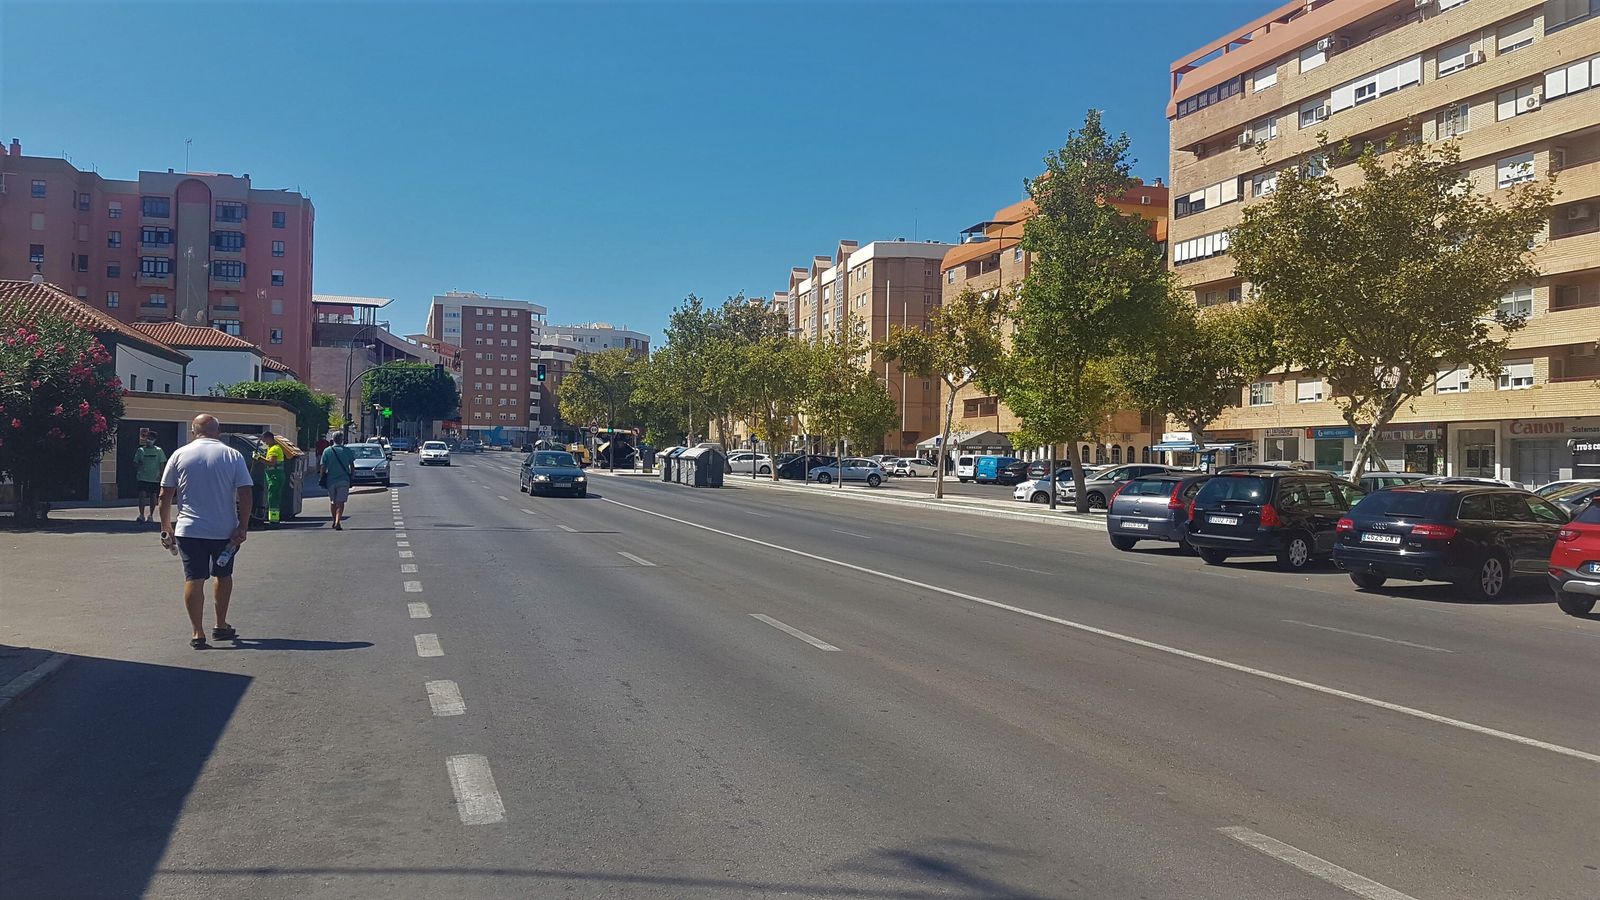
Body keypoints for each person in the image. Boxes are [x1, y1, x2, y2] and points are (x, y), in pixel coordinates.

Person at [158, 414, 254, 649]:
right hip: (225, 531)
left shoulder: (179, 454)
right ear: (218, 432)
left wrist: (166, 526)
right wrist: (243, 525)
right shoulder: (233, 455)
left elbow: (164, 494)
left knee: (194, 578)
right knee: (223, 575)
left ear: (193, 432)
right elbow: (245, 493)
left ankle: (197, 632)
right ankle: (220, 625)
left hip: (189, 530)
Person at [321, 432, 356, 530]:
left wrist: (322, 477)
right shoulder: (347, 450)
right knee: (340, 502)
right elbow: (352, 465)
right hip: (344, 480)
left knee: (333, 502)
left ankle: (334, 520)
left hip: (331, 480)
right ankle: (337, 521)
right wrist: (352, 475)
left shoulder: (327, 451)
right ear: (341, 440)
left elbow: (323, 466)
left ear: (332, 440)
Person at [133, 431, 167, 524]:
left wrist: (162, 475)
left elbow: (162, 464)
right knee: (142, 495)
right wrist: (139, 465)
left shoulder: (159, 451)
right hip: (142, 477)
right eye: (148, 438)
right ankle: (141, 515)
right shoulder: (141, 450)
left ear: (154, 440)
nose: (149, 440)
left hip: (154, 477)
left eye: (151, 439)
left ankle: (151, 515)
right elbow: (135, 462)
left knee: (153, 496)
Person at [260, 431, 286, 524]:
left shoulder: (274, 449)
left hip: (275, 477)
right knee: (273, 497)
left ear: (269, 438)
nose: (264, 443)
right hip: (275, 476)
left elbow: (271, 462)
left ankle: (274, 520)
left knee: (273, 498)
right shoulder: (272, 448)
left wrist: (259, 458)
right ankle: (273, 518)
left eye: (265, 440)